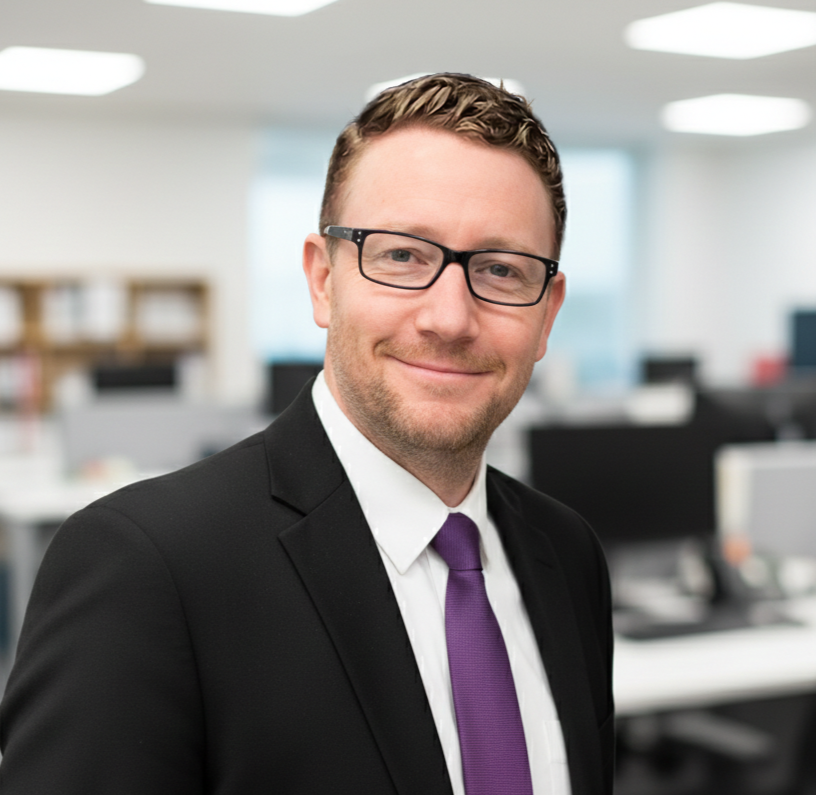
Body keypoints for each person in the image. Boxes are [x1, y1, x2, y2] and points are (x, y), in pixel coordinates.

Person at [0, 73, 614, 795]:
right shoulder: (147, 568)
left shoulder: (566, 554)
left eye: (502, 270)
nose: (449, 317)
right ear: (323, 279)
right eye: (402, 256)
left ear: (547, 313)